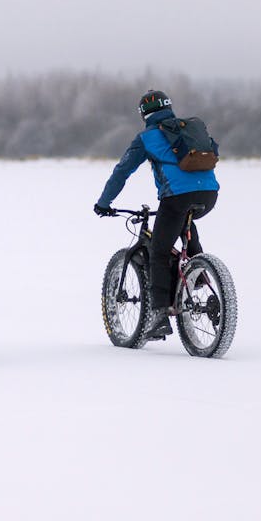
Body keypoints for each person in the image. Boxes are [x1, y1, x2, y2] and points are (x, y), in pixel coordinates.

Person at [94, 90, 219, 340]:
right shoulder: (187, 129)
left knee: (159, 252)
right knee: (185, 225)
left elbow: (122, 171)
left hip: (175, 198)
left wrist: (104, 202)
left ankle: (160, 315)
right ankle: (200, 275)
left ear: (143, 114)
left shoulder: (147, 138)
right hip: (209, 194)